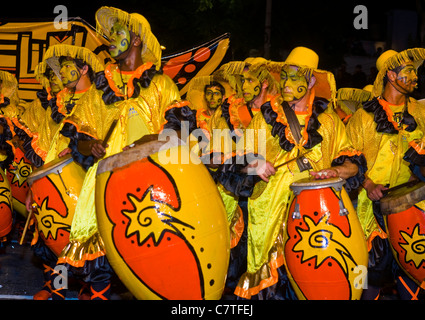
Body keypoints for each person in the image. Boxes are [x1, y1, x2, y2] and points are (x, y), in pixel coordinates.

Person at [215, 47, 367, 299]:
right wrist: (255, 163)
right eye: (284, 76)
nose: (286, 83)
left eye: (295, 76)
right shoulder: (267, 117)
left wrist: (336, 170)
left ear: (311, 81)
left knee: (312, 284)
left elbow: (354, 162)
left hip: (315, 221)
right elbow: (235, 160)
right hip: (270, 217)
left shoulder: (329, 121)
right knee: (273, 290)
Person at [57, 6, 181, 300]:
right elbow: (80, 139)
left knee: (150, 249)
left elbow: (181, 132)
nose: (110, 39)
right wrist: (93, 146)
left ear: (136, 40)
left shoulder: (162, 85)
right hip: (106, 180)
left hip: (151, 181)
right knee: (98, 249)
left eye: (117, 33)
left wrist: (148, 141)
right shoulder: (99, 90)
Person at [23, 44, 105, 300]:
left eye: (67, 67)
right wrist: (33, 188)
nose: (61, 74)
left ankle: (92, 289)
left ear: (83, 69)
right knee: (51, 235)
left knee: (87, 238)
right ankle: (57, 286)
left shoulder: (100, 98)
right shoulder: (58, 104)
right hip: (53, 180)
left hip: (85, 175)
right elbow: (48, 146)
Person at [346, 48, 425, 300]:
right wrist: (368, 184)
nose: (415, 77)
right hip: (370, 210)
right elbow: (348, 158)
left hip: (412, 209)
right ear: (391, 75)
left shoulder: (420, 112)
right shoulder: (364, 115)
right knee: (367, 275)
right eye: (408, 71)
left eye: (415, 71)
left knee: (412, 269)